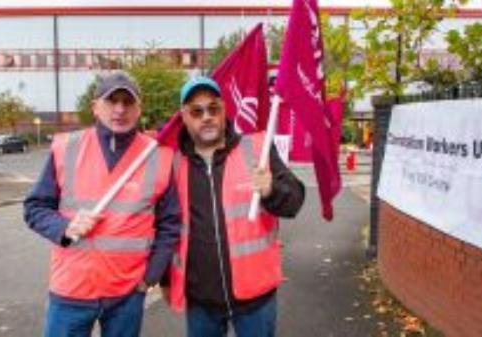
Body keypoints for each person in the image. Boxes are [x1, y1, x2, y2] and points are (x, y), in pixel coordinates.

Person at [24, 71, 181, 337]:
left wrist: (152, 275)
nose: (120, 109)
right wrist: (65, 226)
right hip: (71, 289)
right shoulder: (67, 147)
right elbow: (35, 208)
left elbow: (171, 224)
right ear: (95, 107)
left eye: (127, 102)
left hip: (127, 292)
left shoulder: (159, 156)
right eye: (112, 101)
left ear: (138, 108)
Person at [166, 76, 305, 337]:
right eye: (197, 111)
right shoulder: (172, 164)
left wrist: (271, 190)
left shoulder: (256, 149)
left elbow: (295, 200)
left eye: (213, 108)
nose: (206, 116)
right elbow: (165, 227)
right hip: (201, 302)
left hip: (255, 299)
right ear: (184, 116)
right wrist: (164, 278)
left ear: (224, 110)